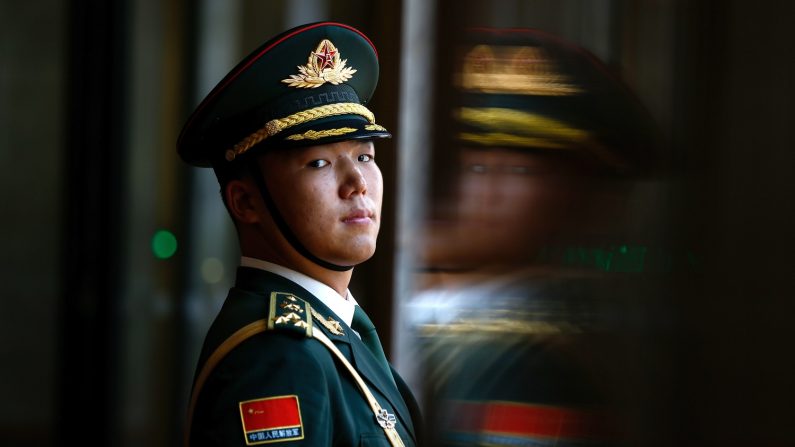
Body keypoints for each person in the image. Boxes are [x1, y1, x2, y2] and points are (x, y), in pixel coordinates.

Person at [405, 28, 664, 446]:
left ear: (580, 201)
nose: (470, 190)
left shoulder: (526, 369)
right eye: (460, 161)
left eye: (516, 170)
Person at [177, 22, 420, 446]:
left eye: (364, 155)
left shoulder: (337, 330)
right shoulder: (278, 355)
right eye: (319, 164)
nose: (357, 183)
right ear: (245, 203)